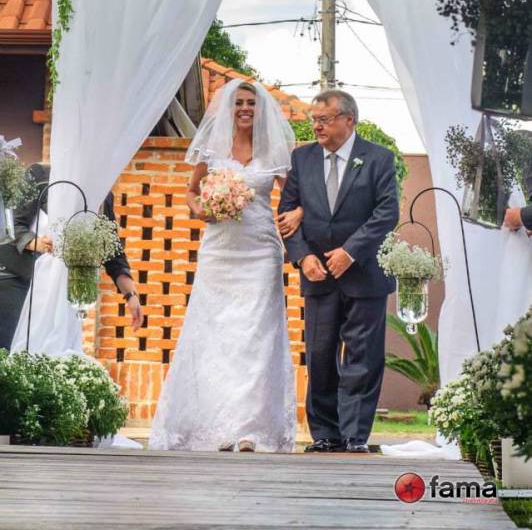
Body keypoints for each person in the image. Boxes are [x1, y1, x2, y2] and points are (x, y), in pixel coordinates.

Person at [149, 80, 302, 453]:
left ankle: (250, 430)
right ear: (228, 109)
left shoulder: (274, 152)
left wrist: (298, 212)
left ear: (261, 109)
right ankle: (213, 425)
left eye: (251, 102)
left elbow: (297, 195)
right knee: (215, 336)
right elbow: (191, 192)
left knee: (256, 338)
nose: (245, 108)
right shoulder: (212, 150)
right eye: (239, 102)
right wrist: (200, 209)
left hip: (260, 252)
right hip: (219, 252)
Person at [279, 90, 399, 454]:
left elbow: (387, 212)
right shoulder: (301, 159)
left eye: (324, 120)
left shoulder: (378, 158)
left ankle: (354, 436)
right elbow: (287, 214)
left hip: (364, 274)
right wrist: (302, 257)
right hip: (318, 275)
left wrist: (350, 252)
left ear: (349, 119)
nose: (316, 126)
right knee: (319, 355)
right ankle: (325, 434)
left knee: (363, 358)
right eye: (314, 120)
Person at [0, 162, 143, 350]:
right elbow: (11, 224)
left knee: (52, 351)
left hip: (62, 288)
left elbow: (112, 251)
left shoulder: (103, 194)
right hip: (19, 280)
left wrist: (131, 295)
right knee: (12, 351)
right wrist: (36, 243)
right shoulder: (40, 174)